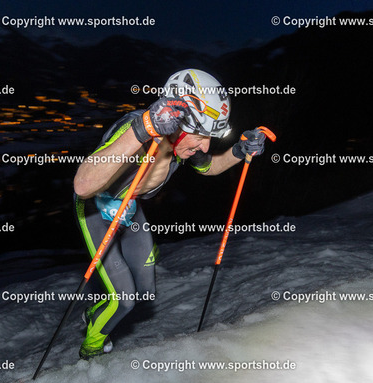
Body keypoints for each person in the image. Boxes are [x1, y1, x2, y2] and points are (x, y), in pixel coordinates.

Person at [73, 69, 270, 359]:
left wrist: (240, 150)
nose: (205, 145)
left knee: (144, 288)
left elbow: (210, 167)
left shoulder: (184, 139)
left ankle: (96, 313)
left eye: (209, 137)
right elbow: (83, 185)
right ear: (179, 121)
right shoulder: (140, 127)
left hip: (129, 208)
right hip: (95, 208)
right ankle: (91, 350)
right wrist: (144, 128)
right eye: (201, 136)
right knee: (123, 299)